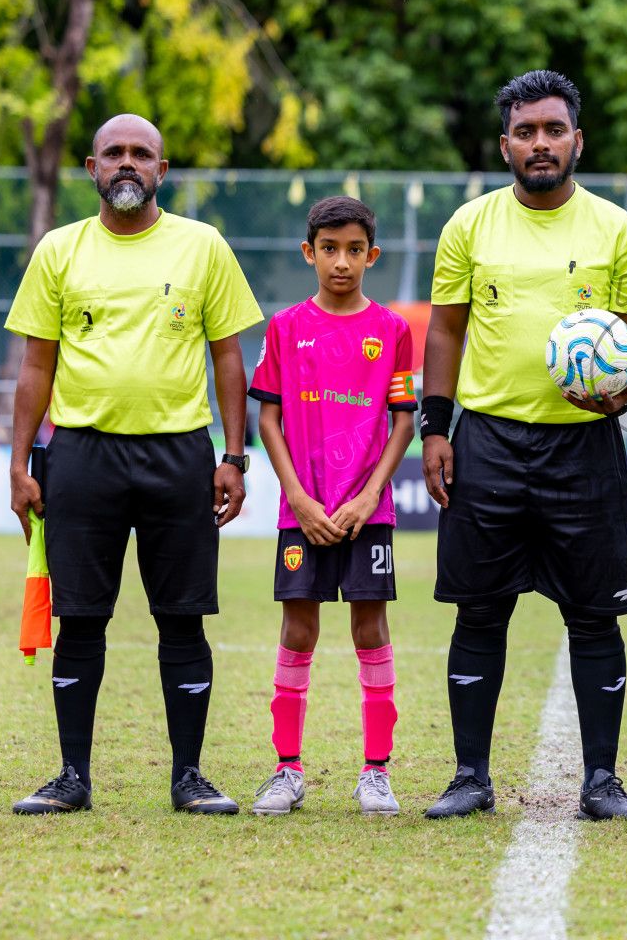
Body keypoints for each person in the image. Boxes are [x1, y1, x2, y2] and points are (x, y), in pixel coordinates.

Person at [6, 114, 263, 815]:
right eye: (114, 153)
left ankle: (189, 777)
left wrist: (235, 457)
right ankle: (71, 777)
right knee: (81, 619)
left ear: (163, 168)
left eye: (141, 154)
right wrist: (19, 461)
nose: (127, 163)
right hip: (81, 455)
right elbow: (36, 363)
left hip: (178, 453)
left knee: (182, 618)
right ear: (91, 166)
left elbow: (229, 357)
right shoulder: (59, 250)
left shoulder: (203, 246)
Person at [420, 70, 627, 821]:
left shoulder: (616, 230)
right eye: (527, 132)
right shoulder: (470, 226)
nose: (541, 143)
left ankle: (602, 780)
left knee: (594, 616)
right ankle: (469, 776)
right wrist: (434, 428)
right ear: (506, 144)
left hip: (584, 446)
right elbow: (447, 329)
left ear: (577, 139)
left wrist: (623, 391)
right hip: (486, 441)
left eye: (554, 130)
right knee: (478, 613)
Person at [246, 197, 418, 816]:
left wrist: (372, 492)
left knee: (370, 627)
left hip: (366, 510)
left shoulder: (392, 331)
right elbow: (267, 417)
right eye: (328, 249)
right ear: (308, 252)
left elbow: (404, 420)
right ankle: (287, 770)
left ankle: (376, 772)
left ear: (371, 255)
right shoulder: (286, 327)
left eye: (353, 250)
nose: (340, 262)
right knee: (298, 628)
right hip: (304, 509)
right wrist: (296, 494)